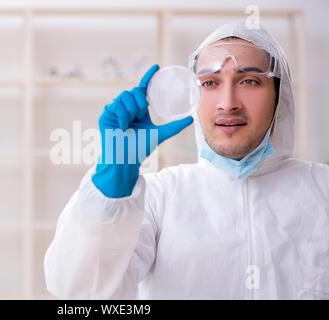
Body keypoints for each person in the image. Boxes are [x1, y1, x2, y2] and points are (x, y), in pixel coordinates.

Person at [44, 21, 329, 299]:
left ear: (280, 96)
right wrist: (113, 181)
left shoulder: (322, 191)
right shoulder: (158, 199)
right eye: (210, 82)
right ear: (193, 96)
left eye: (250, 81)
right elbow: (81, 293)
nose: (228, 103)